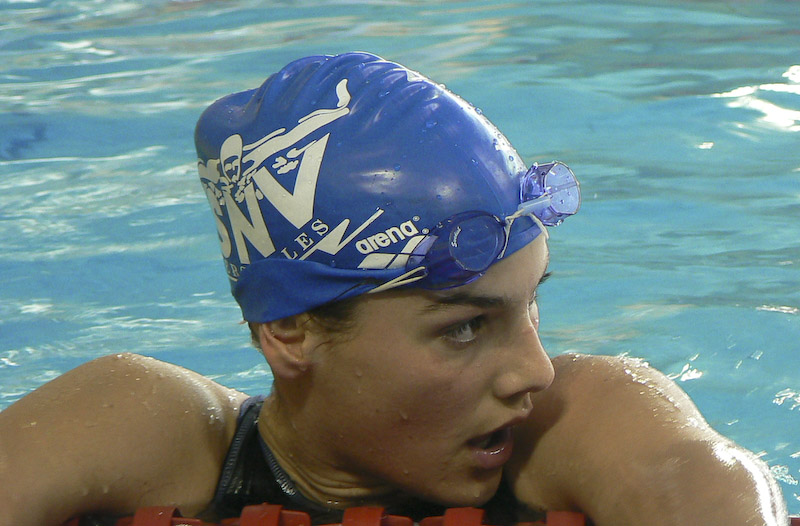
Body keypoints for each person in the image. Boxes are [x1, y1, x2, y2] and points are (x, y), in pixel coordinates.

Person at [0, 52, 789, 526]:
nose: (535, 370)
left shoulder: (569, 421)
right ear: (292, 331)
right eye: (465, 327)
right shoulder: (160, 428)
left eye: (531, 303)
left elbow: (702, 479)